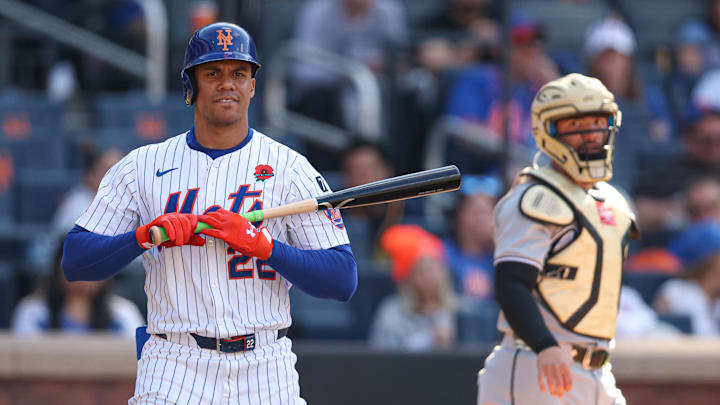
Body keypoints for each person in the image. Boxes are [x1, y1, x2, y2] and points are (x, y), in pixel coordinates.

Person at [61, 23, 357, 405]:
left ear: (252, 85)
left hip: (265, 362)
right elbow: (75, 260)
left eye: (238, 73)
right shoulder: (142, 166)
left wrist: (264, 246)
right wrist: (144, 236)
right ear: (191, 86)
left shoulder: (290, 168)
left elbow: (342, 278)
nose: (227, 83)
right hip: (174, 360)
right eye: (212, 72)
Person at [476, 73, 638, 404]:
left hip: (597, 369)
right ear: (547, 131)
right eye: (575, 125)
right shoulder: (535, 198)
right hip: (538, 363)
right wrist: (545, 345)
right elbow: (511, 282)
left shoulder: (613, 201)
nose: (591, 133)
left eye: (598, 122)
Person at [12, 239, 144, 336]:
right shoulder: (33, 311)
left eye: (92, 266)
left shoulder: (123, 313)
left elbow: (137, 361)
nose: (84, 274)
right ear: (58, 269)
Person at [369, 225, 457, 350]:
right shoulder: (391, 313)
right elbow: (382, 356)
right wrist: (428, 338)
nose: (430, 275)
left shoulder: (457, 311)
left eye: (434, 267)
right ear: (408, 277)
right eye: (422, 270)